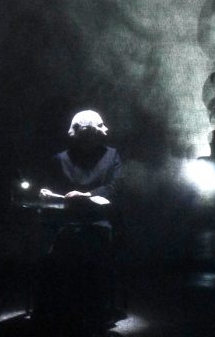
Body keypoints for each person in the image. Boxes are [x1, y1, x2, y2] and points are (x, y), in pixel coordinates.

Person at [32, 109, 125, 337]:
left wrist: (86, 196)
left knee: (88, 252)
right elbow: (54, 190)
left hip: (99, 222)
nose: (105, 129)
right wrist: (47, 193)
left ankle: (91, 313)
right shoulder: (60, 160)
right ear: (87, 132)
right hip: (67, 223)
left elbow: (115, 188)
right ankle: (62, 314)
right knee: (62, 254)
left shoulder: (112, 155)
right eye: (100, 125)